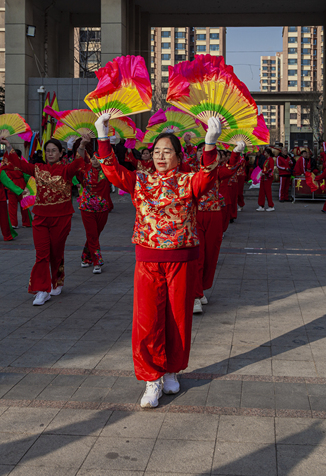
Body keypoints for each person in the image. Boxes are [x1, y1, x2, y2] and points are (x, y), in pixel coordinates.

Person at [95, 112, 230, 408]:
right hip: (148, 259)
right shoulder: (141, 181)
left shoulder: (188, 181)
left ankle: (171, 370)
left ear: (178, 156)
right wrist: (102, 136)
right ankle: (151, 378)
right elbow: (112, 171)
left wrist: (210, 143)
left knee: (177, 319)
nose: (160, 156)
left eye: (167, 151)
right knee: (146, 320)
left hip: (181, 259)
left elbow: (208, 176)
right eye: (156, 151)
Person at [0, 136, 86, 306]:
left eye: (54, 150)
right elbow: (19, 164)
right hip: (40, 218)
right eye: (48, 151)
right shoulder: (38, 168)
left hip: (61, 217)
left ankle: (56, 281)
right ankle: (42, 290)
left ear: (61, 153)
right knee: (42, 254)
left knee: (56, 253)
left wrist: (81, 146)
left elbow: (78, 162)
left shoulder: (66, 170)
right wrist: (8, 145)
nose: (50, 153)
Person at [194, 146, 240, 313]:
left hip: (214, 215)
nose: (202, 153)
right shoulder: (190, 170)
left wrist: (236, 153)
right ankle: (195, 296)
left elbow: (232, 168)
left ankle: (201, 288)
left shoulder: (219, 172)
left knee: (211, 255)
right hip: (194, 216)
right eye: (200, 151)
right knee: (198, 255)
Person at [76, 135, 113, 274]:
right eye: (93, 158)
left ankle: (86, 257)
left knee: (95, 235)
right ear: (90, 159)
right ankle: (97, 262)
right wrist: (82, 145)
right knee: (92, 235)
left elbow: (113, 161)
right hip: (87, 208)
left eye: (98, 158)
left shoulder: (107, 171)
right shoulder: (85, 170)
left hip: (103, 208)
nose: (95, 160)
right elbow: (79, 159)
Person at [3, 149, 32, 228]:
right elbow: (27, 176)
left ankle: (13, 223)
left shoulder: (8, 164)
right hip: (21, 185)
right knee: (24, 205)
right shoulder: (23, 164)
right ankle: (27, 222)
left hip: (11, 185)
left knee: (12, 206)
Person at [256, 147, 275, 211]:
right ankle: (261, 205)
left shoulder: (271, 159)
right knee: (261, 192)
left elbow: (271, 169)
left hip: (267, 178)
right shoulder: (266, 160)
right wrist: (262, 172)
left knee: (268, 192)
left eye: (265, 153)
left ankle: (271, 206)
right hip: (263, 178)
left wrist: (265, 173)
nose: (264, 154)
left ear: (268, 153)